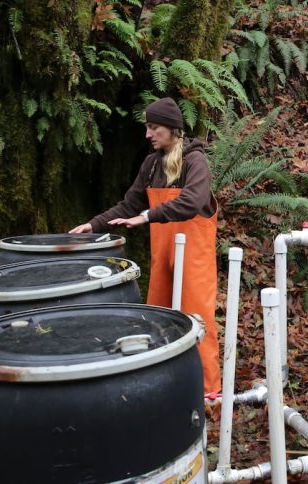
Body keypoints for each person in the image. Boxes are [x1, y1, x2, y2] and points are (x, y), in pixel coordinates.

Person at [70, 97, 220, 394]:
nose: (148, 134)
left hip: (194, 259)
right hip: (163, 257)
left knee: (197, 320)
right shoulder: (151, 164)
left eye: (153, 127)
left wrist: (148, 216)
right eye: (147, 127)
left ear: (172, 128)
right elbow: (129, 205)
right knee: (158, 319)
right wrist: (94, 224)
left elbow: (192, 201)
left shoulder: (195, 161)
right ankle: (163, 388)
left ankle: (207, 393)